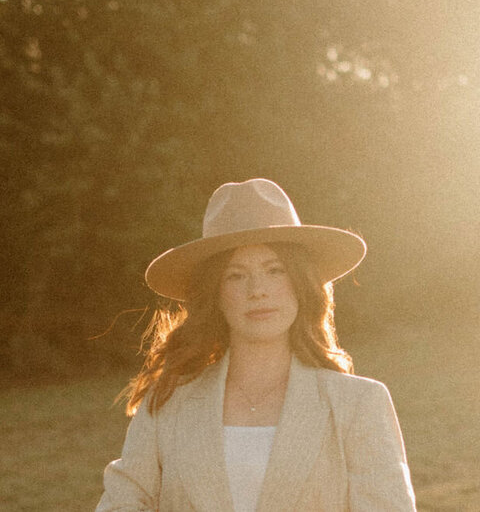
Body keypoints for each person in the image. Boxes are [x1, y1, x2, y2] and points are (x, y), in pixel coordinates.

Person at [96, 178, 416, 511]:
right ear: (216, 294)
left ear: (300, 284)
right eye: (236, 275)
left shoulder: (358, 404)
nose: (257, 289)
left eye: (274, 270)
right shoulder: (166, 407)